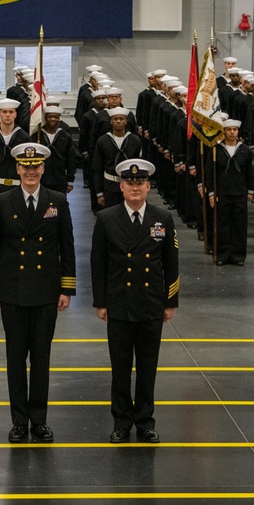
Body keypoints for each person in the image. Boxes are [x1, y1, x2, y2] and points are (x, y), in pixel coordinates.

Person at [0, 142, 75, 443]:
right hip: (12, 291)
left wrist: (67, 288)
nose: (31, 171)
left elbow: (67, 248)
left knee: (41, 358)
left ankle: (39, 421)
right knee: (15, 358)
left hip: (46, 291)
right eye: (26, 167)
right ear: (17, 169)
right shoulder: (2, 201)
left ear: (43, 169)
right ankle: (18, 421)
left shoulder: (57, 201)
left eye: (36, 167)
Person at [91, 158, 177, 443]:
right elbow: (98, 264)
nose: (135, 188)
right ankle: (121, 421)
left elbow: (171, 263)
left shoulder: (162, 219)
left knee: (148, 367)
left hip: (151, 303)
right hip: (119, 303)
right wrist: (100, 302)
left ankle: (145, 421)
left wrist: (170, 301)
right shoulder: (106, 218)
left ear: (148, 186)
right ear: (122, 187)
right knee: (120, 367)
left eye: (140, 183)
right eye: (129, 183)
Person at [205, 119, 254, 266]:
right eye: (229, 130)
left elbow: (251, 172)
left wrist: (250, 190)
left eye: (235, 129)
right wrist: (212, 193)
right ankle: (223, 254)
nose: (232, 132)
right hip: (222, 194)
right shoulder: (215, 150)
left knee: (239, 226)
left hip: (240, 193)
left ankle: (238, 256)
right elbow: (210, 173)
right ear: (224, 132)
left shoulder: (245, 150)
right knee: (222, 225)